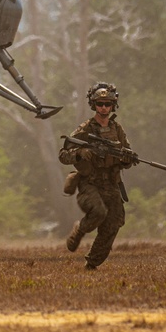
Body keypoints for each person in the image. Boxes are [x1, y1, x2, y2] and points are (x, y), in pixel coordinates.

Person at [58, 82, 136, 270]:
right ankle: (80, 230)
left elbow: (127, 153)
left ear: (113, 105)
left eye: (107, 104)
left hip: (111, 183)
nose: (103, 108)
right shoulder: (85, 129)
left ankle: (92, 264)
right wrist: (80, 153)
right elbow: (63, 154)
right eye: (100, 104)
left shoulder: (117, 129)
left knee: (114, 222)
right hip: (89, 184)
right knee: (99, 212)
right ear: (94, 105)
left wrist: (127, 158)